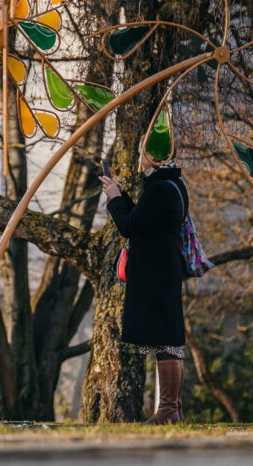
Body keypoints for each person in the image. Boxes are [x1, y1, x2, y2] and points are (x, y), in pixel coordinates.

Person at [100, 153, 187, 424]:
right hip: (163, 269)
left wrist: (114, 199)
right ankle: (172, 410)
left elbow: (128, 227)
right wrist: (124, 198)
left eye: (143, 153)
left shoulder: (159, 188)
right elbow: (143, 222)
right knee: (168, 339)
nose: (140, 159)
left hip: (155, 272)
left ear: (154, 157)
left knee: (165, 340)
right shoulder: (171, 184)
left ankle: (169, 410)